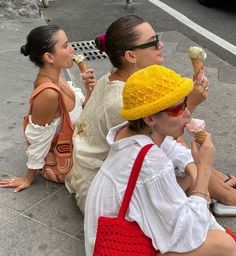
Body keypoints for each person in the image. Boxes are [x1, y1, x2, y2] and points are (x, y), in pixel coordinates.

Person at [65, 15, 236, 215]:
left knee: (185, 153)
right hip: (102, 191)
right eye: (153, 42)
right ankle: (227, 197)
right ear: (130, 56)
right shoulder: (122, 102)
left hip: (90, 168)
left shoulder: (115, 79)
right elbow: (164, 137)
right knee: (182, 152)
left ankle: (221, 188)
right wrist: (190, 103)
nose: (161, 45)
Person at [84, 65, 236, 256]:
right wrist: (204, 169)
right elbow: (190, 229)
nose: (187, 112)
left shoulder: (131, 133)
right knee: (225, 245)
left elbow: (175, 151)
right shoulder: (151, 161)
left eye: (185, 102)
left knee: (187, 178)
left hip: (106, 235)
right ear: (150, 118)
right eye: (177, 109)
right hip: (121, 247)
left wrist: (194, 169)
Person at [0, 25, 96, 192]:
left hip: (82, 143)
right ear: (49, 57)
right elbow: (38, 138)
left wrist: (89, 92)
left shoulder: (57, 75)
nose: (72, 49)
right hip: (69, 160)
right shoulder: (48, 94)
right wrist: (28, 178)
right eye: (65, 46)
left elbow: (77, 112)